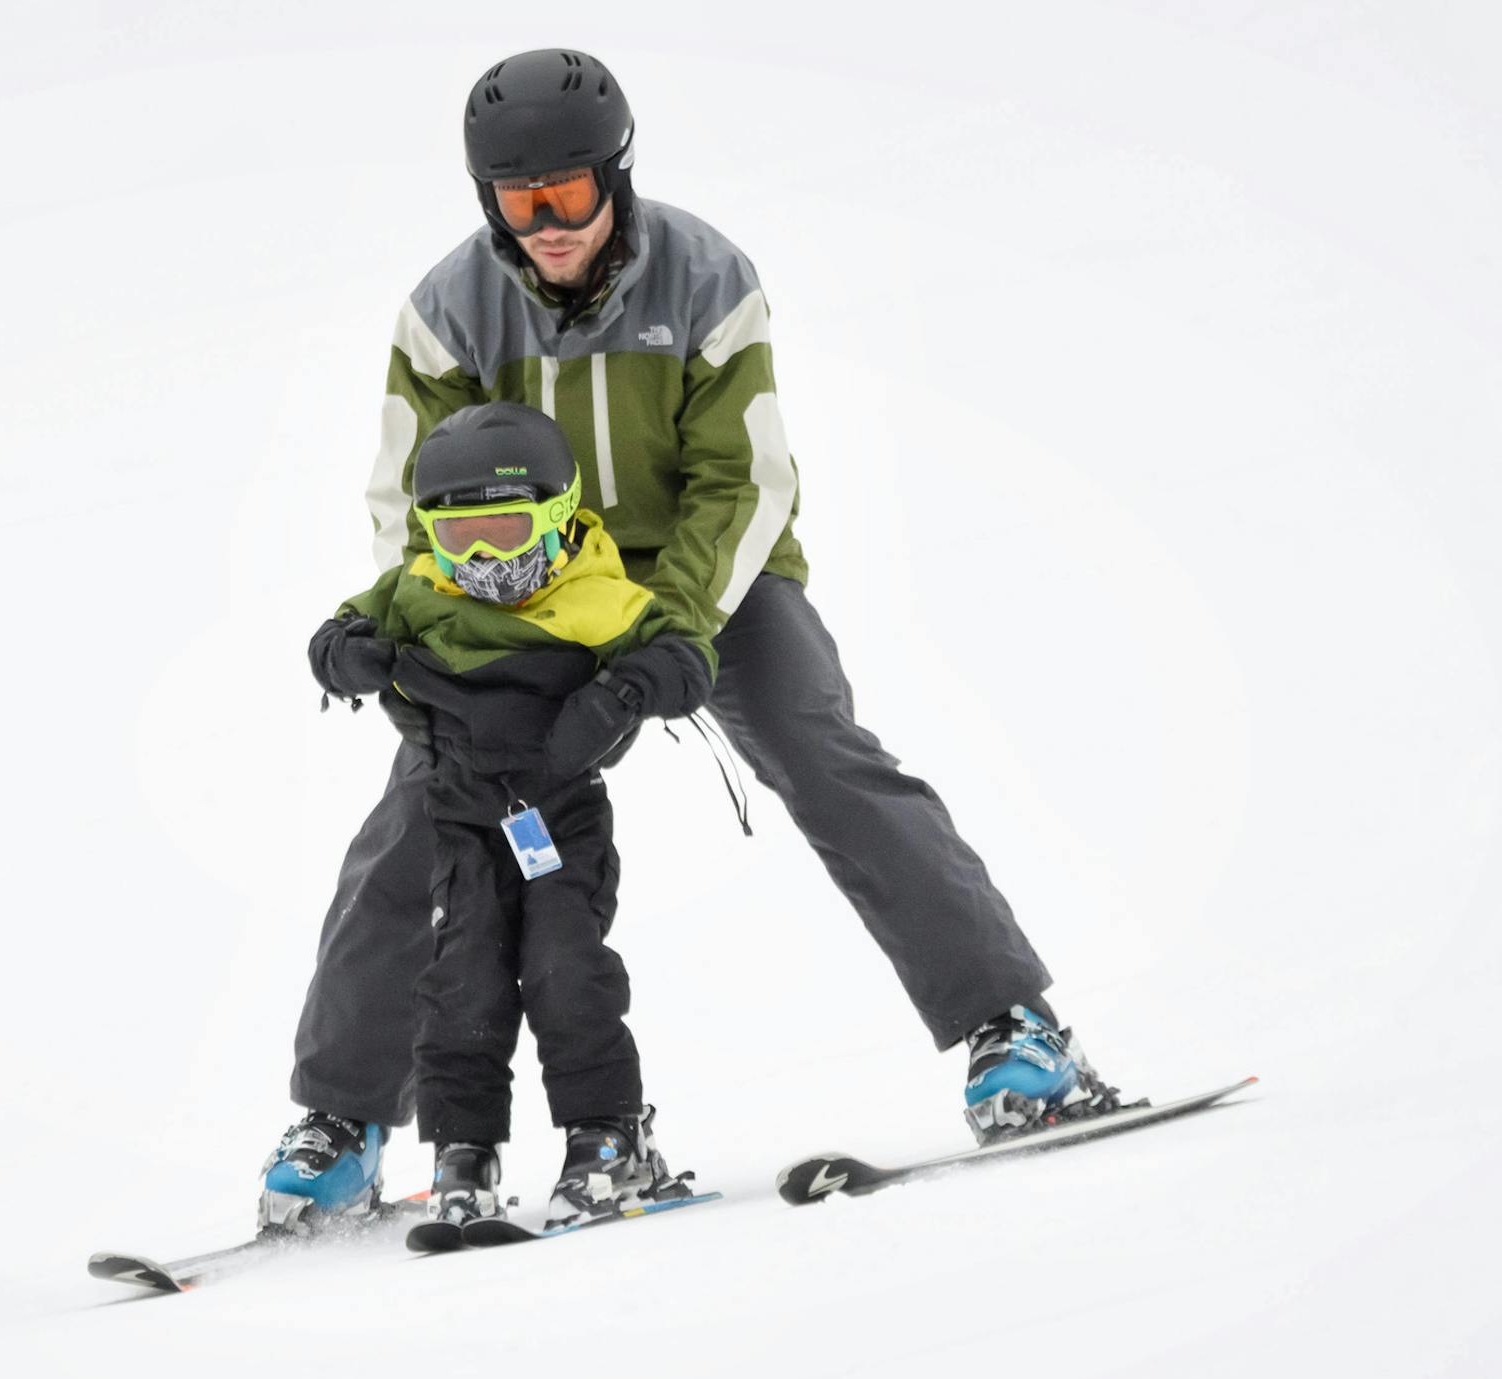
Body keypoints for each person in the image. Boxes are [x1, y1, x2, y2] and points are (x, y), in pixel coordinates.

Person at [259, 48, 1119, 1231]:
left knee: (825, 755)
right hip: (516, 592)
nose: (548, 224)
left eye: (568, 194)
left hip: (701, 582)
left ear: (616, 175)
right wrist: (422, 654)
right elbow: (415, 507)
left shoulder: (706, 276)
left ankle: (1013, 1032)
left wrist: (668, 640)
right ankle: (340, 1124)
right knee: (420, 817)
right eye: (520, 203)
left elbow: (744, 478)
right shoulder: (446, 311)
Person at [292, 401, 712, 1238]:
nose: (483, 559)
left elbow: (685, 653)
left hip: (560, 825)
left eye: (507, 531)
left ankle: (606, 1139)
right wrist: (352, 656)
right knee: (460, 986)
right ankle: (463, 1156)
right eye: (458, 538)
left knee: (566, 970)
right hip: (463, 828)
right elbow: (334, 634)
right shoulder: (419, 590)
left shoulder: (596, 593)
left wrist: (624, 692)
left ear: (559, 519)